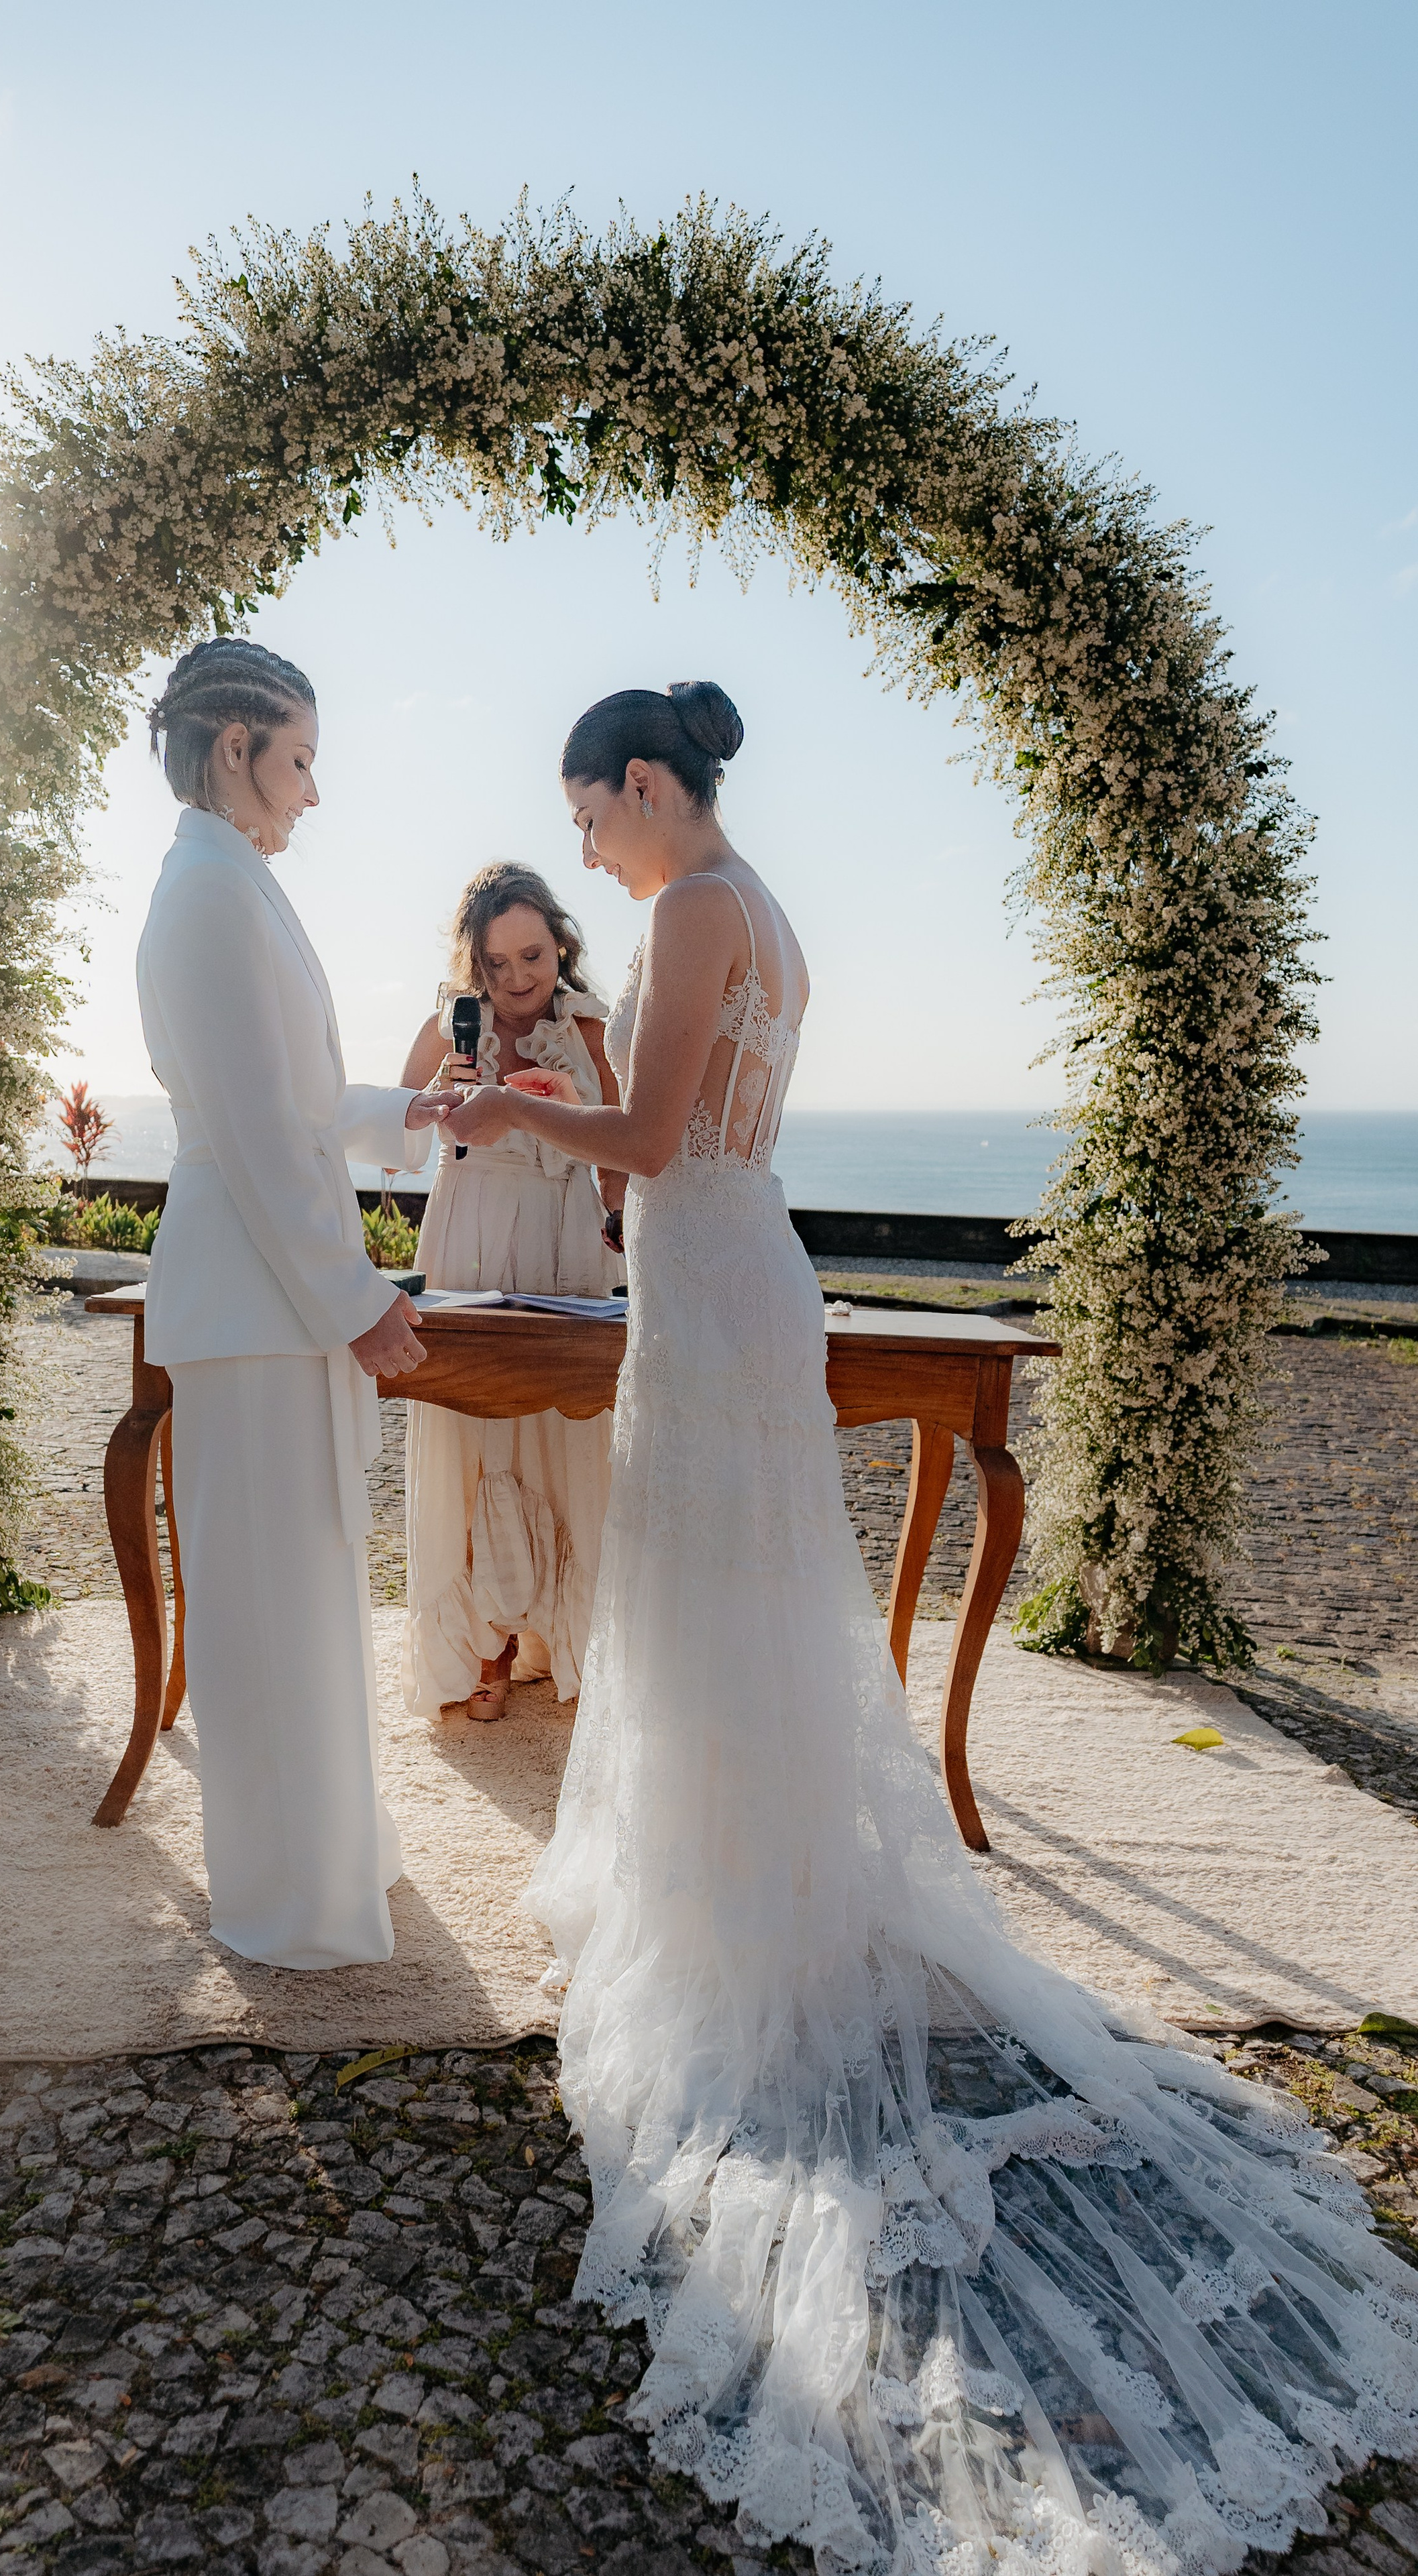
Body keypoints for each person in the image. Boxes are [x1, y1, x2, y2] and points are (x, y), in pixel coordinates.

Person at [445, 683, 1417, 2575]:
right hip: (744, 1269)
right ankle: (739, 1863)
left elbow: (650, 1136)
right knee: (736, 1602)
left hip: (715, 1274)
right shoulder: (757, 903)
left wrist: (513, 1103)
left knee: (721, 1598)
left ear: (650, 786)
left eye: (591, 814)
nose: (586, 849)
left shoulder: (699, 906)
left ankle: (735, 1910)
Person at [137, 638, 455, 1969]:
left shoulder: (230, 885)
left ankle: (333, 1866)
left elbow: (302, 1100)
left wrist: (402, 1113)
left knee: (303, 1594)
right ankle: (286, 1908)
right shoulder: (208, 893)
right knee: (267, 1613)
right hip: (258, 1296)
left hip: (270, 1299)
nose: (311, 792)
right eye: (301, 759)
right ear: (234, 751)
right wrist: (358, 1298)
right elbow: (262, 1135)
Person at [398, 862, 626, 1720]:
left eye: (533, 954)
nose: (522, 977)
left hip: (566, 1243)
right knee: (474, 1435)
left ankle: (565, 1642)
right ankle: (484, 1652)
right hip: (471, 1238)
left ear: (558, 944)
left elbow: (617, 1153)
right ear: (477, 966)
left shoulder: (592, 1030)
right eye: (500, 964)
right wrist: (435, 1096)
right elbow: (396, 1143)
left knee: (566, 1439)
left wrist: (614, 1226)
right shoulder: (451, 1026)